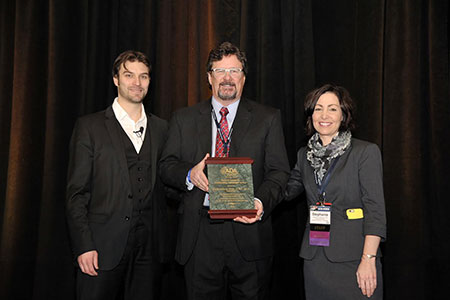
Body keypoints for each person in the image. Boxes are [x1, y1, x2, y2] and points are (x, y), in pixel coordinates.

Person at [159, 42, 290, 299]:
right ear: (209, 77)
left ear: (243, 76)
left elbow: (279, 172)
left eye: (234, 70)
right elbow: (166, 166)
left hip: (249, 234)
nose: (227, 78)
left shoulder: (268, 118)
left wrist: (260, 202)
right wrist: (189, 174)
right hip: (199, 237)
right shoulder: (183, 119)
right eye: (220, 71)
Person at [66, 50, 170, 300]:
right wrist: (84, 245)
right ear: (115, 79)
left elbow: (169, 184)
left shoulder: (163, 128)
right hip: (101, 249)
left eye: (143, 76)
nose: (137, 83)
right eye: (129, 75)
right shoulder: (89, 127)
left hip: (149, 253)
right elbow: (76, 193)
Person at [285, 84, 387, 299]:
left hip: (355, 259)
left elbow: (375, 211)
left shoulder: (365, 152)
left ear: (343, 115)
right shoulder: (304, 155)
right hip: (315, 260)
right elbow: (283, 191)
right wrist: (247, 191)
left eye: (332, 108)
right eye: (318, 108)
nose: (324, 115)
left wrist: (368, 259)